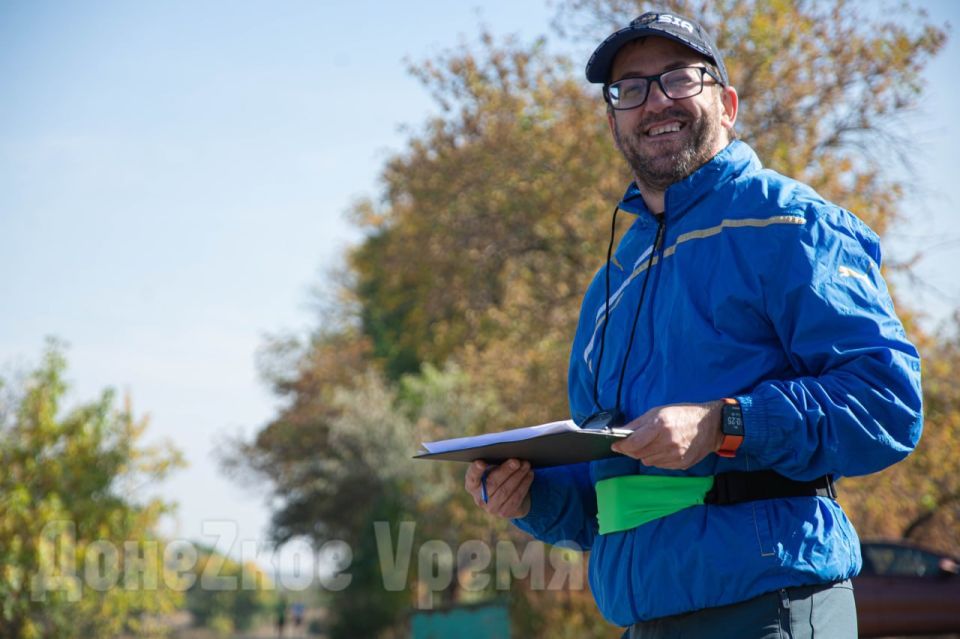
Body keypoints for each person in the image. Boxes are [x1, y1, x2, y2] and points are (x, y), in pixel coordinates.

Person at [463, 10, 922, 639]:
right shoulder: (609, 286)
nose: (655, 101)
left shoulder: (791, 226)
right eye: (630, 89)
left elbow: (887, 404)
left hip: (770, 609)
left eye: (679, 78)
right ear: (613, 120)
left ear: (727, 104)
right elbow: (609, 496)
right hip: (643, 620)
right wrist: (528, 494)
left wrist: (723, 423)